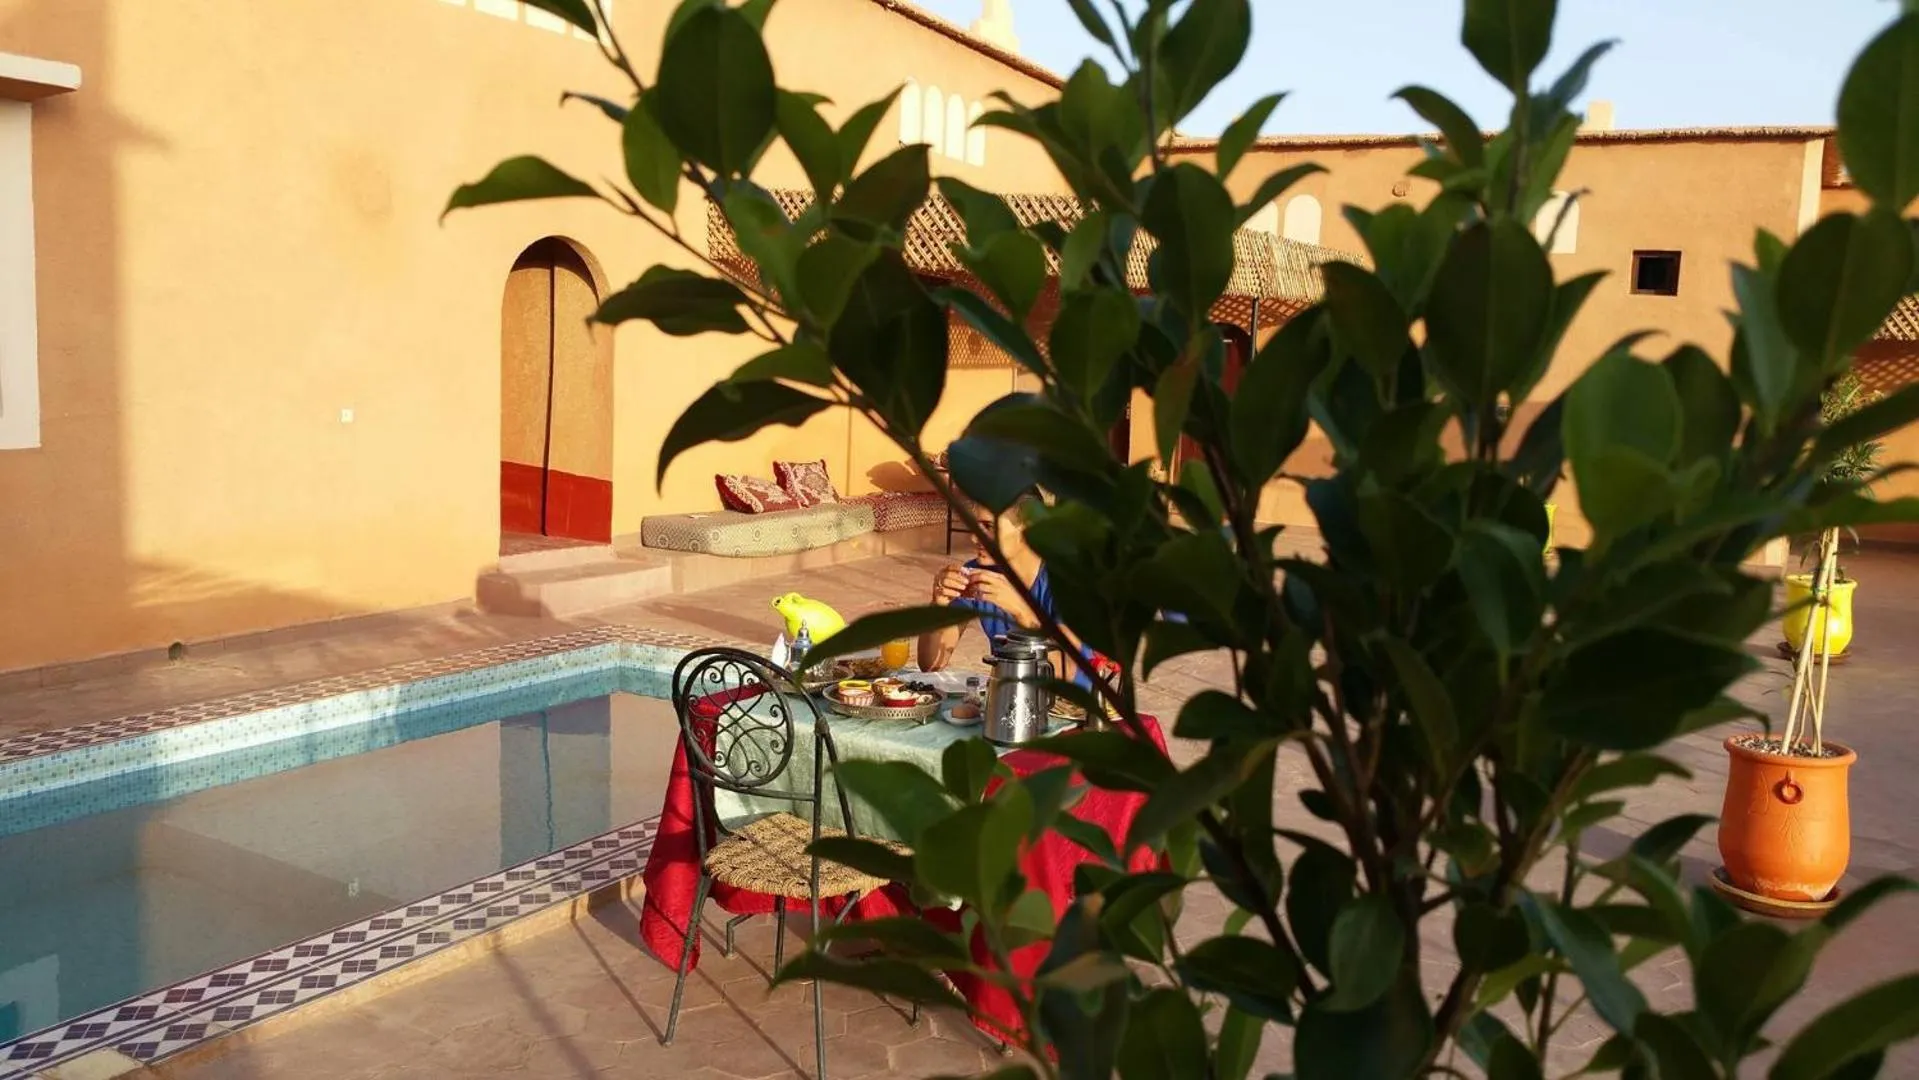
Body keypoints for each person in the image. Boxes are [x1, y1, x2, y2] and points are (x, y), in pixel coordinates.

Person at [917, 499, 1096, 686]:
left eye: (989, 526)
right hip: (1010, 700)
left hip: (1071, 710)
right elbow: (930, 666)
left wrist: (1023, 613)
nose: (975, 538)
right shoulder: (979, 575)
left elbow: (1065, 673)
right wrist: (939, 603)